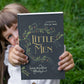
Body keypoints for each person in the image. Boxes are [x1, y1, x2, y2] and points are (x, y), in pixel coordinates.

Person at [0, 3, 74, 84]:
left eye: (17, 27)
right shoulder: (12, 50)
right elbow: (11, 57)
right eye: (9, 36)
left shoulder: (51, 43)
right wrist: (13, 57)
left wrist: (67, 62)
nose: (16, 36)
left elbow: (62, 59)